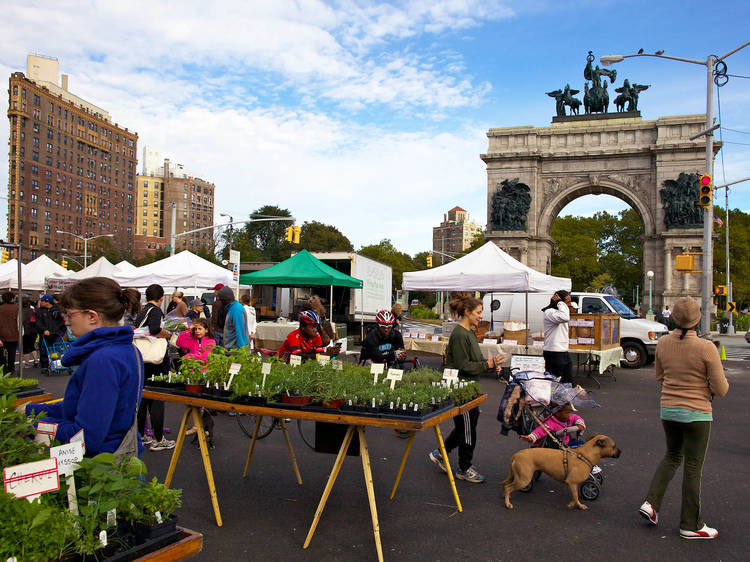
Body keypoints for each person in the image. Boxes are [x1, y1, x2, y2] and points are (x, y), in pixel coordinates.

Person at [639, 297, 729, 539]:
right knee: (692, 466)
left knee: (671, 456)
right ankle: (690, 524)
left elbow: (660, 377)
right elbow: (720, 388)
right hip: (697, 413)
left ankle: (651, 502)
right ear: (698, 319)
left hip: (668, 409)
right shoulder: (706, 347)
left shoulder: (663, 343)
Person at [21, 278, 143, 456]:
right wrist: (30, 410)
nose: (67, 322)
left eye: (70, 315)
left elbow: (86, 437)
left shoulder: (103, 359)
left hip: (101, 468)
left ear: (92, 316)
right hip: (120, 460)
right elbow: (80, 407)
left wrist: (33, 426)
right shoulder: (128, 350)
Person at [427, 294, 504, 483]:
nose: (480, 316)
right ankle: (465, 467)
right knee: (468, 429)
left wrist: (491, 364)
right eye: (478, 312)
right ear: (467, 312)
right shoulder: (461, 334)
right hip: (462, 389)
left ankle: (440, 453)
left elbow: (474, 360)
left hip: (469, 388)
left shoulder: (469, 332)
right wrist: (488, 364)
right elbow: (463, 366)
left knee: (465, 426)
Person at [134, 284, 175, 452]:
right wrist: (169, 334)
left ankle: (142, 436)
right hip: (155, 361)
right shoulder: (156, 310)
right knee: (157, 397)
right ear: (161, 297)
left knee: (144, 397)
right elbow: (155, 329)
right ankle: (159, 439)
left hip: (142, 359)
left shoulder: (143, 310)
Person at [542, 290, 575, 384]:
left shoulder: (559, 312)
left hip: (563, 351)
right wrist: (559, 302)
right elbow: (565, 317)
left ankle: (565, 397)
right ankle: (553, 397)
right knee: (555, 382)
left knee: (567, 381)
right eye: (567, 302)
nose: (569, 304)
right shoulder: (549, 312)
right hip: (554, 352)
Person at [520, 403, 586, 447]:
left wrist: (579, 424)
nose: (569, 415)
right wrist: (531, 437)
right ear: (557, 413)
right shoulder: (550, 423)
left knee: (583, 445)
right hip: (557, 445)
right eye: (566, 413)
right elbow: (541, 430)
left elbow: (576, 417)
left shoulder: (569, 417)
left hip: (567, 439)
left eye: (569, 412)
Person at [35, 294, 66, 373]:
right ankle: (44, 366)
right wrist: (44, 330)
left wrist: (61, 332)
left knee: (58, 349)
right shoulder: (39, 311)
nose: (40, 302)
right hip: (45, 334)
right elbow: (38, 323)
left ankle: (59, 364)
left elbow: (62, 322)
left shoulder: (58, 310)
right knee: (43, 349)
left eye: (42, 301)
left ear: (47, 302)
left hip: (56, 333)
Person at [0, 292, 19, 374]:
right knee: (12, 351)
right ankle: (11, 368)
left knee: (2, 352)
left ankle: (3, 368)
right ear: (12, 298)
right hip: (14, 333)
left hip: (2, 333)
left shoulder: (0, 308)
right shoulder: (17, 308)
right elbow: (20, 321)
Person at [21, 299, 38, 367]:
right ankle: (36, 360)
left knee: (25, 347)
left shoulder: (21, 311)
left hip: (25, 331)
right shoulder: (33, 310)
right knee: (32, 345)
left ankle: (27, 363)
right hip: (34, 331)